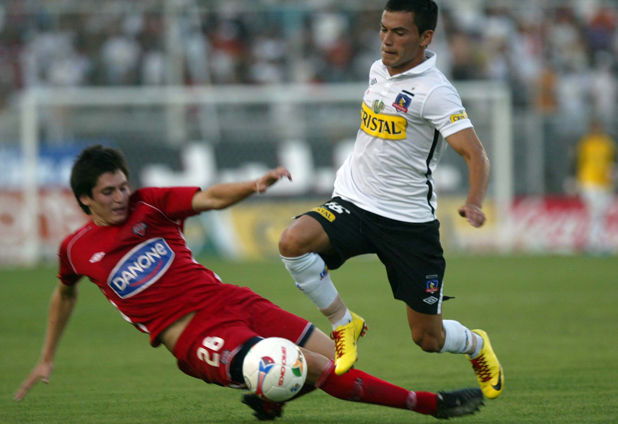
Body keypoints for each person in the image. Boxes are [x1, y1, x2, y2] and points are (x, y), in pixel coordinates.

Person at [14, 145, 485, 421]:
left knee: (335, 356)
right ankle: (432, 405)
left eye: (122, 186)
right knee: (314, 369)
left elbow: (210, 197)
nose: (121, 197)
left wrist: (252, 186)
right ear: (85, 200)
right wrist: (47, 356)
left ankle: (270, 396)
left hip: (230, 300)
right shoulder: (76, 250)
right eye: (108, 192)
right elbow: (64, 293)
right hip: (195, 336)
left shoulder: (149, 203)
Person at [278, 0, 504, 400]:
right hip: (355, 202)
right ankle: (343, 323)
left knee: (428, 338)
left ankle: (475, 344)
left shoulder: (435, 92)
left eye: (399, 32)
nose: (387, 40)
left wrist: (474, 202)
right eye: (384, 29)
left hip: (408, 222)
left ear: (425, 37)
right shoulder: (378, 70)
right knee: (292, 241)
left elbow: (476, 154)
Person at [573, 119, 617, 253]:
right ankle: (597, 243)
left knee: (599, 214)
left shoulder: (608, 144)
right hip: (589, 181)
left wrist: (613, 172)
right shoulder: (585, 143)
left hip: (605, 183)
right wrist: (572, 178)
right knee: (595, 212)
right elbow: (577, 161)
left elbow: (613, 161)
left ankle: (595, 243)